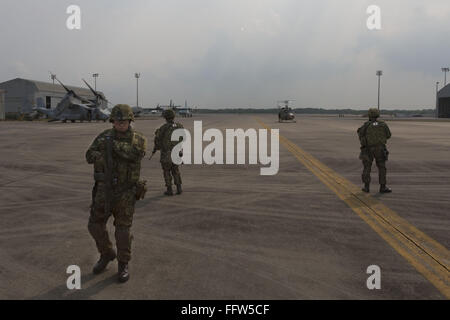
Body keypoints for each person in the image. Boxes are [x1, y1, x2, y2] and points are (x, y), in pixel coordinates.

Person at [85, 104, 147, 283]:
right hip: (104, 190)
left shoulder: (138, 138)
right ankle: (106, 254)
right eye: (117, 121)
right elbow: (89, 155)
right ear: (112, 121)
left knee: (123, 231)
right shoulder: (104, 136)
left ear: (130, 121)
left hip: (125, 191)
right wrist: (99, 154)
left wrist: (111, 147)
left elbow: (135, 154)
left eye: (124, 121)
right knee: (94, 225)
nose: (120, 124)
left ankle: (123, 263)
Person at [357, 108, 392, 194]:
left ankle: (366, 187)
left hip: (368, 149)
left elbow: (360, 134)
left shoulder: (366, 125)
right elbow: (388, 135)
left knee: (367, 168)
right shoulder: (383, 124)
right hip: (380, 148)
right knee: (382, 167)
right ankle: (383, 187)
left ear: (369, 115)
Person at [152, 109, 184, 196]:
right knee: (175, 170)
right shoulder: (179, 126)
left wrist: (156, 148)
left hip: (166, 153)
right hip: (176, 152)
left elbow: (157, 140)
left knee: (166, 171)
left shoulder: (163, 128)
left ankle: (169, 190)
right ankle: (179, 188)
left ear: (165, 117)